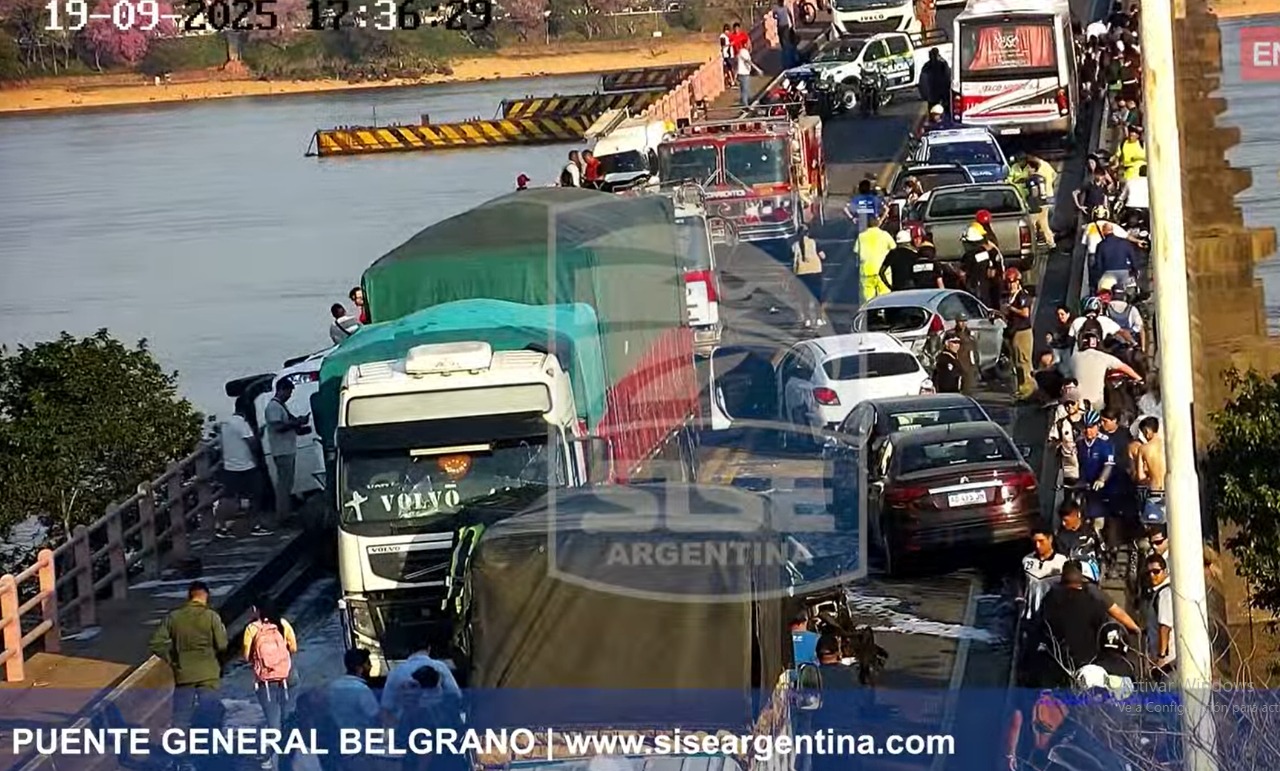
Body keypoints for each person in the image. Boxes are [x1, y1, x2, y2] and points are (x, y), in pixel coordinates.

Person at [149, 582, 228, 732]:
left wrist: (171, 658)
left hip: (183, 673)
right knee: (210, 710)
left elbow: (156, 643)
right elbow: (222, 644)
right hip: (208, 672)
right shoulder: (211, 616)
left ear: (189, 597)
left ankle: (179, 749)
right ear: (205, 596)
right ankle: (208, 747)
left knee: (181, 715)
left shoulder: (174, 617)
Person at [1036, 561, 1116, 682]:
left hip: (1056, 665)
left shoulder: (1050, 599)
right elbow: (1105, 630)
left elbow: (1041, 628)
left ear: (1063, 577)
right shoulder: (1093, 601)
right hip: (1088, 666)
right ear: (1081, 577)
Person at [244, 600, 298, 771]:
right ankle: (291, 756)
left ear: (256, 610)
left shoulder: (252, 629)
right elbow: (294, 647)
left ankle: (272, 760)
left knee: (273, 721)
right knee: (288, 716)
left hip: (266, 681)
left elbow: (246, 656)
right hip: (288, 676)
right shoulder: (283, 624)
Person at [215, 407, 265, 540]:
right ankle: (255, 526)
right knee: (256, 495)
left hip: (230, 465)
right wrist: (259, 436)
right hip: (246, 465)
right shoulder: (241, 423)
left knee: (228, 497)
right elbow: (252, 443)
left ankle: (221, 527)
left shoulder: (225, 423)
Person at [264, 378, 310, 521]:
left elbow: (288, 425)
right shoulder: (273, 407)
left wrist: (300, 426)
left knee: (288, 483)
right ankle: (282, 515)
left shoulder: (282, 406)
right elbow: (278, 427)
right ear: (282, 390)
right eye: (289, 392)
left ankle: (285, 511)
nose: (289, 396)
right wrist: (297, 422)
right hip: (282, 450)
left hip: (288, 449)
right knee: (284, 484)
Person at [381, 649, 462, 724]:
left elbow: (385, 711)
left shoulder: (396, 672)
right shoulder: (441, 667)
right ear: (428, 649)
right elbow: (457, 697)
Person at [1068, 331, 1141, 414]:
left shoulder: (1073, 357)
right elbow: (1124, 367)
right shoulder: (1103, 356)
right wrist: (1139, 378)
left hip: (1077, 404)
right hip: (1097, 404)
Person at [326, 648, 382, 732]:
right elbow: (376, 717)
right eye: (368, 663)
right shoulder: (362, 690)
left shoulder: (332, 687)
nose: (371, 666)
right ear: (359, 668)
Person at [1021, 527, 1067, 621]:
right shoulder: (1026, 560)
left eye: (1041, 541)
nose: (1038, 545)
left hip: (1053, 614)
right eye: (1035, 542)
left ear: (1050, 539)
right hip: (1030, 616)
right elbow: (1020, 583)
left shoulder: (1062, 562)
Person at [1003, 268, 1035, 399]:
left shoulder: (1022, 295)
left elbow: (1025, 313)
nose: (1010, 285)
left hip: (1023, 332)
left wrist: (1011, 309)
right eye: (1008, 283)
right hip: (1013, 332)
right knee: (1016, 362)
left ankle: (1029, 389)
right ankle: (1021, 388)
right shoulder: (1009, 296)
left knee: (1024, 361)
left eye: (1013, 282)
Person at [1145, 554, 1176, 680]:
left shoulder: (1165, 593)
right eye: (1149, 573)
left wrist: (1162, 656)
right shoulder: (1157, 593)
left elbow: (1165, 626)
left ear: (1165, 571)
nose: (1152, 576)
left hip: (1168, 662)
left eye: (1156, 572)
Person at [1097, 276, 1144, 351]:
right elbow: (1140, 328)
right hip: (1130, 344)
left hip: (1113, 344)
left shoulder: (1106, 308)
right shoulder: (1132, 309)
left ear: (1112, 294)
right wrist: (1142, 348)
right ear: (1124, 295)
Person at [792, 226, 826, 328]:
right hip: (815, 272)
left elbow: (792, 257)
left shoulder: (795, 245)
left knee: (804, 298)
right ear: (808, 233)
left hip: (801, 273)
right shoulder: (814, 242)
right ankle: (819, 319)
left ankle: (807, 320)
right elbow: (823, 256)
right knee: (817, 296)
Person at [1092, 221, 1139, 293]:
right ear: (1112, 230)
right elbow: (1133, 258)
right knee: (1131, 292)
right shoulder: (1125, 243)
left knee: (1102, 292)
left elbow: (1098, 264)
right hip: (1124, 272)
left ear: (1103, 232)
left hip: (1108, 273)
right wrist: (1134, 271)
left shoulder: (1101, 245)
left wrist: (1098, 277)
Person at [960, 224, 1000, 309]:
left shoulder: (968, 256)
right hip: (986, 289)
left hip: (974, 290)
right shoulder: (987, 252)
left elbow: (962, 274)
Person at [856, 218, 895, 303]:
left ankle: (871, 313)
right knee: (886, 297)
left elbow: (856, 251)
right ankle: (884, 312)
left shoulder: (861, 236)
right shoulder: (885, 235)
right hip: (883, 272)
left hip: (867, 272)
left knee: (868, 299)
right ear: (878, 224)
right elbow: (894, 248)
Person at [1049, 393, 1081, 485]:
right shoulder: (1061, 424)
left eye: (1072, 403)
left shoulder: (1086, 420)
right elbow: (1052, 440)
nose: (1069, 406)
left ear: (1078, 403)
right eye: (1067, 404)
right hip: (1069, 471)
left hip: (1086, 468)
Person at [1132, 416, 1166, 494]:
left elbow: (1141, 477)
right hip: (1171, 492)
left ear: (1147, 431)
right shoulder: (1169, 446)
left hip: (1155, 491)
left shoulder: (1143, 449)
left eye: (1143, 432)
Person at [951, 313, 980, 393]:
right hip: (958, 364)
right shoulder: (952, 335)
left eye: (965, 321)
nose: (963, 323)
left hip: (970, 365)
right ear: (957, 322)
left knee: (970, 389)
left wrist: (976, 365)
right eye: (961, 321)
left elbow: (975, 351)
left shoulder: (970, 334)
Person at [736, 42, 764, 107]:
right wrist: (757, 69)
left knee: (746, 89)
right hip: (743, 73)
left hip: (745, 73)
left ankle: (748, 103)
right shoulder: (743, 52)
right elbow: (748, 61)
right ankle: (745, 105)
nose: (750, 45)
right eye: (749, 44)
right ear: (745, 44)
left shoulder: (744, 52)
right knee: (744, 90)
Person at [773, 0, 796, 69]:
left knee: (786, 43)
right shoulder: (776, 8)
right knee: (782, 43)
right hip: (780, 26)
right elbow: (774, 15)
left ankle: (789, 61)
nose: (781, 3)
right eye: (780, 2)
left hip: (786, 26)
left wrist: (793, 25)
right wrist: (776, 17)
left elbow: (791, 15)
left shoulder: (786, 7)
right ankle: (786, 60)